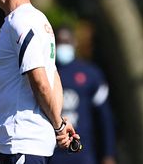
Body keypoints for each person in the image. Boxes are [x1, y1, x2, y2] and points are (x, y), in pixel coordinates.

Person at [0, 0, 79, 164]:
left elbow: (41, 82)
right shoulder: (37, 20)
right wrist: (60, 120)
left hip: (23, 142)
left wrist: (59, 126)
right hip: (27, 144)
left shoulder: (22, 22)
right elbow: (53, 77)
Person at [50, 26, 116, 164]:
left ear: (74, 43)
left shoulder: (90, 74)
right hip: (52, 151)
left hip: (82, 151)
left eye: (67, 42)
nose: (63, 46)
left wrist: (108, 153)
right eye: (60, 42)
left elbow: (104, 118)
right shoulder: (45, 73)